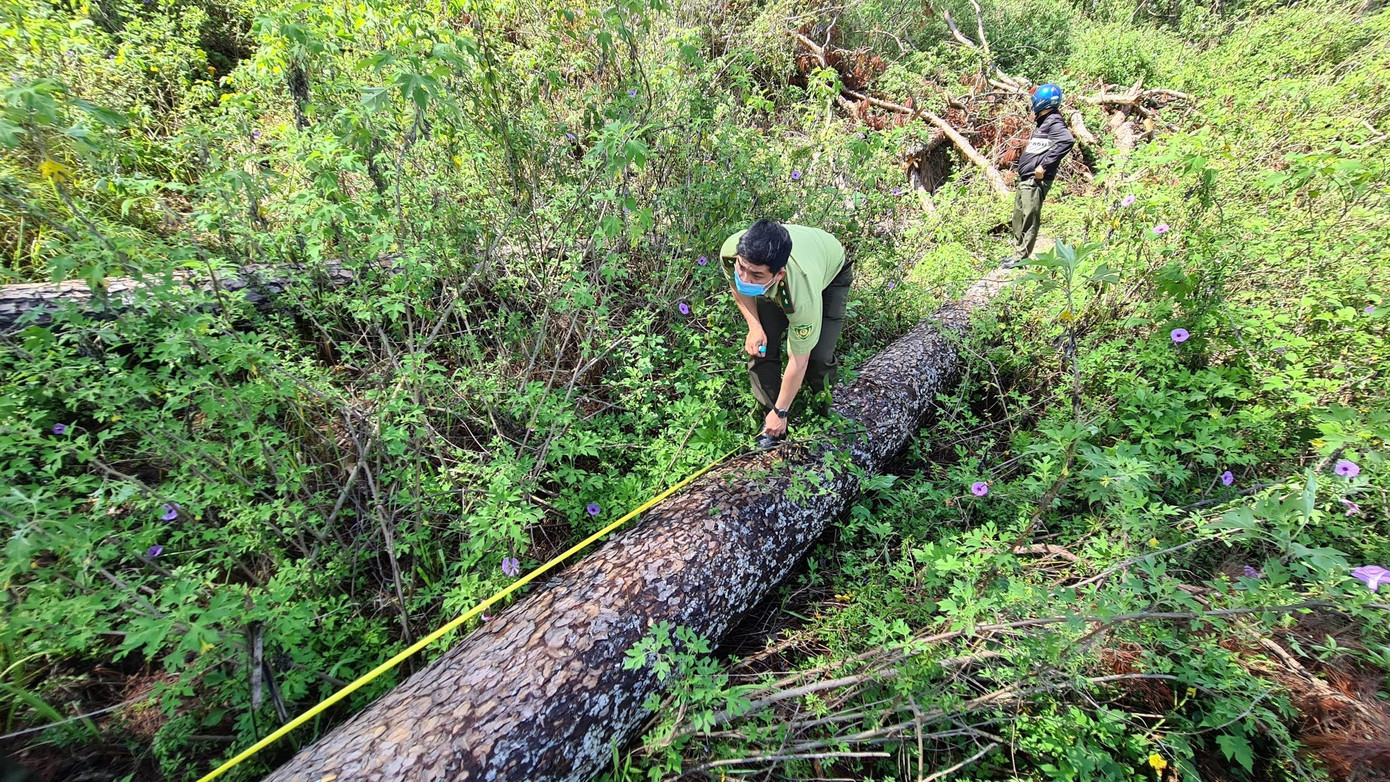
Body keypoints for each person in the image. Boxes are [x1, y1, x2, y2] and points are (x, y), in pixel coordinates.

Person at [719, 220, 851, 449]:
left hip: (830, 273)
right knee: (761, 347)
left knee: (818, 357)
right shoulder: (732, 252)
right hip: (791, 269)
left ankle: (824, 411)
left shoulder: (802, 294)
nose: (745, 279)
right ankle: (772, 425)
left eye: (756, 276)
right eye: (742, 268)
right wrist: (754, 326)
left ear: (778, 274)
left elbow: (799, 359)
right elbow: (737, 285)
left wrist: (783, 410)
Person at [1004, 83, 1075, 267]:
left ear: (1043, 102)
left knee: (1029, 218)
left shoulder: (1054, 121)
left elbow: (1067, 141)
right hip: (1026, 179)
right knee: (1018, 217)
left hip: (1035, 181)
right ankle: (1017, 254)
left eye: (1035, 100)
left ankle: (1021, 259)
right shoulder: (1044, 122)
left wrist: (1043, 166)